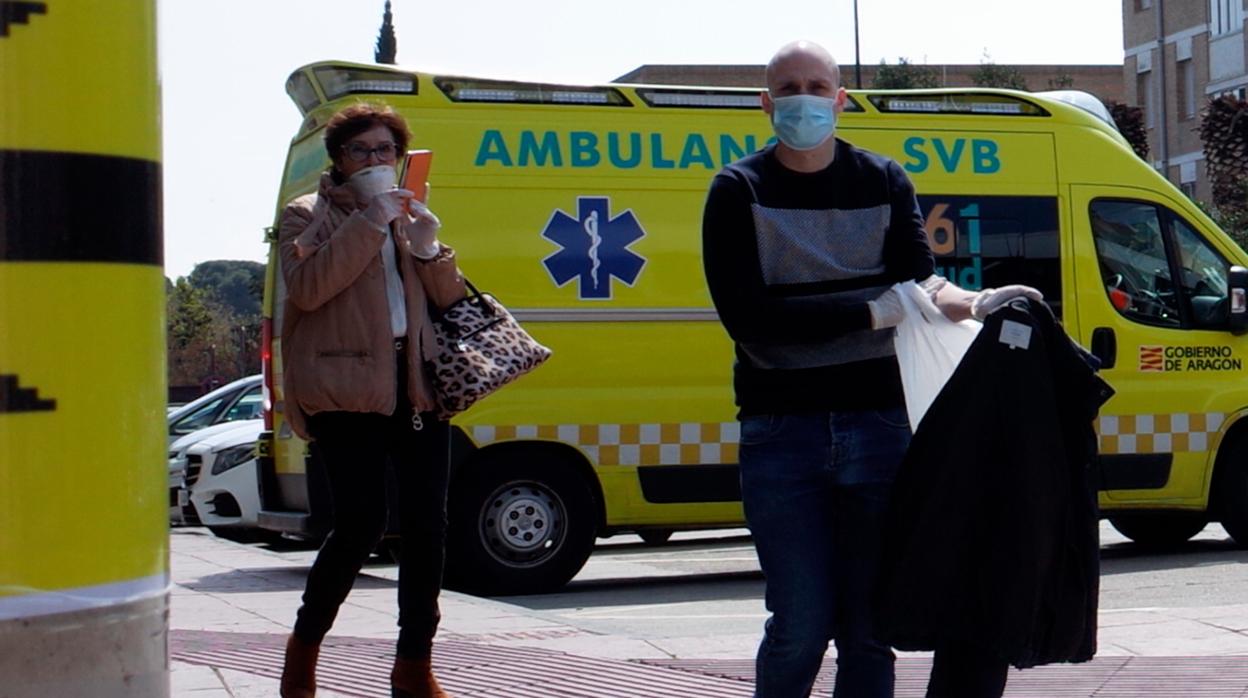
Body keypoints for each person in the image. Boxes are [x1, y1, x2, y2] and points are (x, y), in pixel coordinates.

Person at [700, 40, 1039, 698]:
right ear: (766, 104)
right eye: (789, 88)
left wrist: (972, 302)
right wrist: (867, 312)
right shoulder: (737, 191)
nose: (805, 99)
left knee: (869, 627)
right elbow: (752, 319)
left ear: (841, 99)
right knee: (798, 623)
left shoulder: (883, 181)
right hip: (781, 435)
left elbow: (918, 284)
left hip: (879, 427)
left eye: (817, 86)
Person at [276, 102, 466, 698]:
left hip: (416, 385)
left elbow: (448, 299)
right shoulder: (305, 216)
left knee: (428, 528)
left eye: (387, 150)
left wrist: (430, 247)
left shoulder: (407, 210)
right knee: (359, 525)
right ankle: (302, 654)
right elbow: (307, 290)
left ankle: (414, 666)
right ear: (338, 160)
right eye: (362, 151)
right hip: (345, 392)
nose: (377, 161)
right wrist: (370, 221)